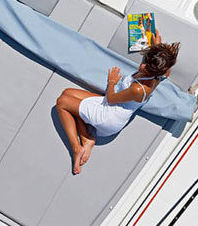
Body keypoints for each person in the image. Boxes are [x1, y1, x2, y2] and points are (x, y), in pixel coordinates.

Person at [56, 31, 180, 174]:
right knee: (68, 93)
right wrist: (156, 45)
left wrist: (112, 82)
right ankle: (87, 138)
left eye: (147, 67)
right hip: (112, 106)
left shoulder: (138, 90)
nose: (143, 66)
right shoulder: (161, 73)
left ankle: (76, 148)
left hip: (110, 116)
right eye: (145, 60)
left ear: (155, 71)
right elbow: (163, 65)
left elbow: (110, 98)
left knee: (62, 102)